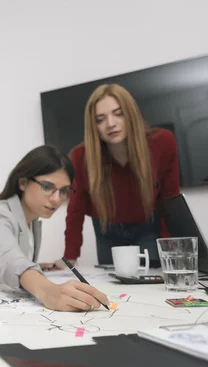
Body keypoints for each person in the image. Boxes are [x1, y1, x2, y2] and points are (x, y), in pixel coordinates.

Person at [0, 145, 109, 312]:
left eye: (64, 190)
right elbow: (9, 259)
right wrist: (48, 291)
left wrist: (35, 266)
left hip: (2, 299)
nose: (56, 199)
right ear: (23, 183)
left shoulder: (32, 217)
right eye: (47, 186)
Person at [64, 84, 180, 265]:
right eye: (100, 119)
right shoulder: (81, 156)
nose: (110, 124)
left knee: (152, 283)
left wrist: (170, 252)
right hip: (106, 229)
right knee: (113, 287)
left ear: (131, 114)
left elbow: (170, 199)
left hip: (149, 225)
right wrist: (69, 257)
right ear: (93, 126)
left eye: (119, 114)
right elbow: (75, 207)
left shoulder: (162, 143)